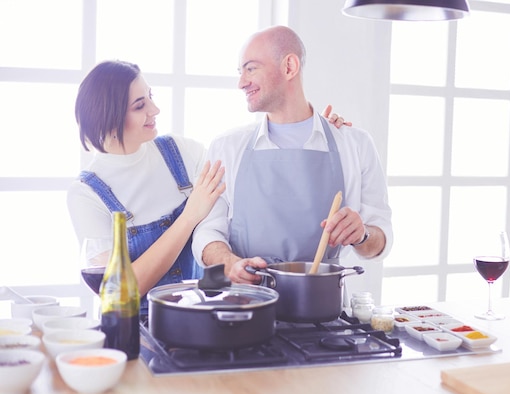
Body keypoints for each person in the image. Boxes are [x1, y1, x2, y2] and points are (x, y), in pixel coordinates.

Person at [192, 26, 393, 284]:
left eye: (251, 68)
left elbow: (379, 244)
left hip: (323, 305)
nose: (241, 82)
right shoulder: (226, 147)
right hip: (247, 302)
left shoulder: (355, 144)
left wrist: (362, 234)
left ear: (289, 67)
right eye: (240, 71)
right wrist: (230, 264)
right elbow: (206, 233)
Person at [67, 60, 226, 315]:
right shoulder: (86, 194)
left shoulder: (181, 151)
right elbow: (120, 289)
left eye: (150, 97)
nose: (155, 109)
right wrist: (189, 217)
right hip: (135, 332)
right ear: (109, 116)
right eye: (140, 105)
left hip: (202, 318)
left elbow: (229, 204)